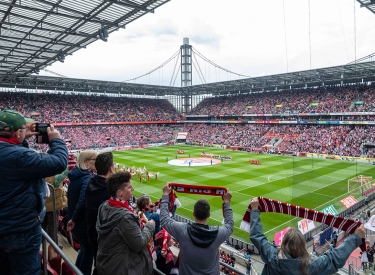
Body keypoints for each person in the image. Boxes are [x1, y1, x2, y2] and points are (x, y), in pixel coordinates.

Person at [0, 110, 68, 275]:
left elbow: (15, 161)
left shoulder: (13, 153)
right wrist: (57, 141)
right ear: (17, 132)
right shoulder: (20, 157)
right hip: (19, 228)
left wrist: (21, 138)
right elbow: (59, 162)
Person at [249, 197, 366, 275]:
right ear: (302, 245)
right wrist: (355, 238)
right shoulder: (311, 265)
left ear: (283, 244)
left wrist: (255, 210)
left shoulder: (271, 256)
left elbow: (257, 236)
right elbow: (334, 259)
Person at [160, 183, 234, 275]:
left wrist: (166, 195)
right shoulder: (218, 233)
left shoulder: (183, 230)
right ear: (209, 215)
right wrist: (227, 202)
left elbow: (164, 219)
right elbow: (230, 226)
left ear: (193, 214)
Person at [96, 172, 155, 275]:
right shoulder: (125, 217)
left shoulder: (104, 206)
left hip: (108, 262)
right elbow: (139, 244)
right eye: (129, 188)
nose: (132, 190)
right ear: (120, 193)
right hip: (122, 267)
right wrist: (149, 226)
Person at [67, 149, 98, 275]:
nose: (98, 163)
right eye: (95, 160)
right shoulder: (87, 178)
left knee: (85, 250)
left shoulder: (76, 175)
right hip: (82, 223)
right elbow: (83, 202)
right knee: (88, 252)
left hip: (77, 222)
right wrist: (74, 219)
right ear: (86, 162)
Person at [85, 152, 114, 275]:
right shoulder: (110, 191)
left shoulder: (91, 182)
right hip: (106, 238)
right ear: (111, 168)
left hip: (92, 232)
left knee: (99, 264)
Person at [43, 168, 69, 242]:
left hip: (43, 206)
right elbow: (66, 171)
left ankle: (42, 243)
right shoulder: (56, 178)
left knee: (43, 225)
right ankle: (53, 245)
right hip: (53, 207)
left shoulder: (41, 176)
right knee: (53, 226)